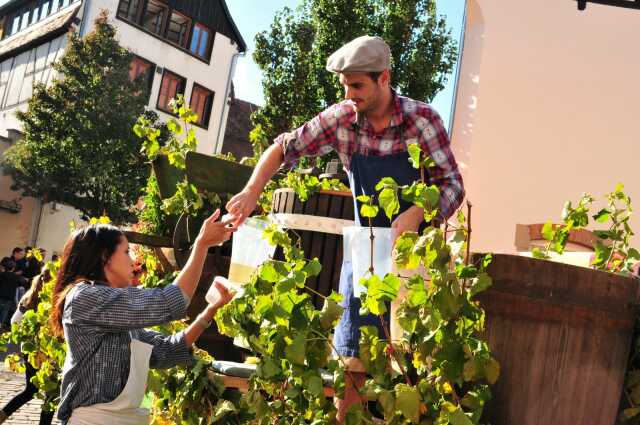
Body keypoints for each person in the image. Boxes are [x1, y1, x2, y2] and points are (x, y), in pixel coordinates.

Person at [225, 35, 465, 421]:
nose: (350, 94)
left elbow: (452, 184)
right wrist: (252, 191)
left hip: (413, 257)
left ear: (384, 78)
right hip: (367, 253)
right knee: (353, 361)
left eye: (358, 86)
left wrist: (418, 213)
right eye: (346, 86)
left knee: (410, 366)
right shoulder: (340, 121)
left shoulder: (423, 121)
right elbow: (283, 148)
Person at [50, 209, 236, 424]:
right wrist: (201, 245)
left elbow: (166, 351)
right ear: (104, 257)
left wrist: (211, 309)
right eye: (127, 251)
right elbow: (169, 301)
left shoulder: (116, 315)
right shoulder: (85, 296)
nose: (134, 260)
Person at [0, 268, 55, 425]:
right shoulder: (51, 300)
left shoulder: (28, 297)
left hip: (30, 351)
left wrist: (28, 339)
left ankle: (3, 414)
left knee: (31, 390)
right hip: (47, 351)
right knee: (51, 392)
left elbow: (14, 322)